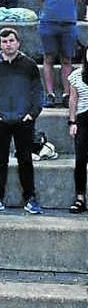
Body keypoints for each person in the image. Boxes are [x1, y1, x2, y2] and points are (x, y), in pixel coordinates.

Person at [0, 27, 44, 214]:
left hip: (24, 120)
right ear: (0, 44)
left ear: (18, 43)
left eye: (11, 41)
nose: (8, 45)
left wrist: (32, 114)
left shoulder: (29, 65)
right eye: (4, 41)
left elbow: (37, 91)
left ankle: (30, 198)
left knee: (25, 160)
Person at [34, 0, 82, 105]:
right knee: (48, 58)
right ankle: (50, 94)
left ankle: (67, 94)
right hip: (48, 22)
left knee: (67, 59)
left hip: (68, 23)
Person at [67, 48, 88, 214]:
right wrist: (72, 121)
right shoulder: (76, 75)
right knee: (80, 159)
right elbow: (73, 100)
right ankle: (80, 197)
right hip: (83, 119)